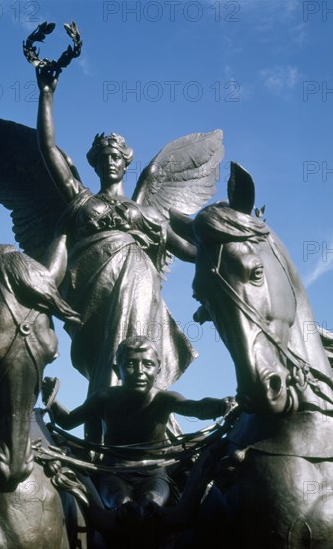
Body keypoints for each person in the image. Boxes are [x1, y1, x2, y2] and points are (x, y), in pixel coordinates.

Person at [36, 67, 198, 441]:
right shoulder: (80, 199)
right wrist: (47, 93)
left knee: (137, 357)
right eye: (104, 155)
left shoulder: (151, 213)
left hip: (141, 286)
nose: (111, 159)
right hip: (93, 293)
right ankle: (95, 436)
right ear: (94, 162)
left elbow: (190, 251)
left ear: (126, 162)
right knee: (101, 359)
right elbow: (47, 149)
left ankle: (152, 430)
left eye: (117, 155)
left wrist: (231, 239)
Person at [42, 336, 235, 518]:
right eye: (131, 364)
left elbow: (196, 408)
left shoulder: (164, 399)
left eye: (148, 364)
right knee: (121, 503)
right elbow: (67, 421)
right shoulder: (104, 398)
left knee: (151, 502)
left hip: (154, 472)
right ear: (118, 371)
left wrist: (221, 405)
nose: (140, 370)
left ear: (158, 369)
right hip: (113, 472)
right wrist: (51, 400)